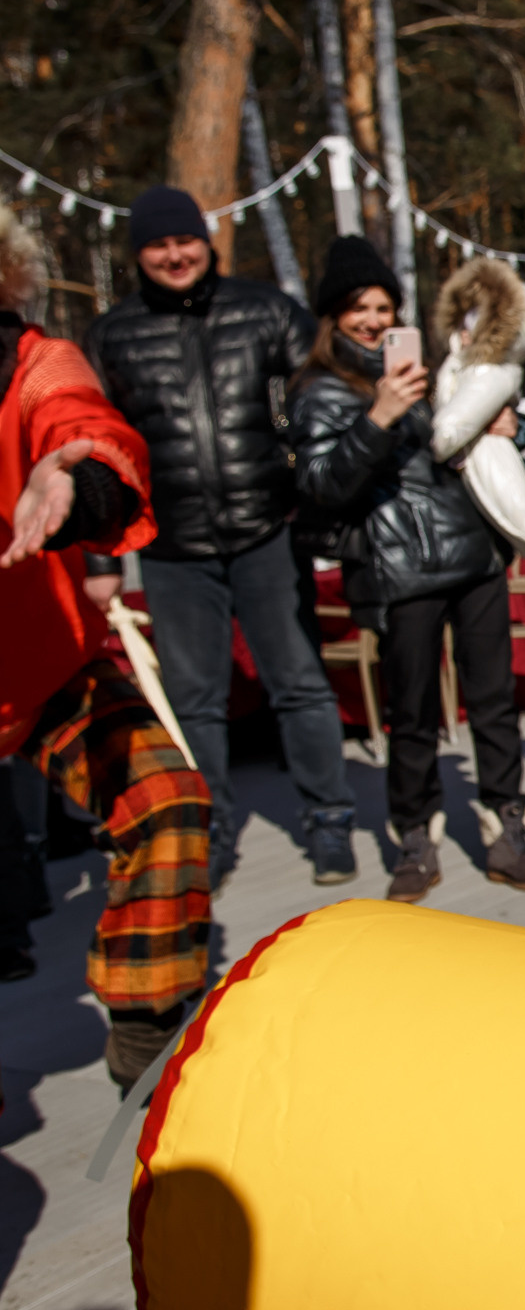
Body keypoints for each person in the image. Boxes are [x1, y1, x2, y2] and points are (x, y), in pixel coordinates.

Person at [85, 186, 357, 889]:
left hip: (267, 531)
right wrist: (98, 552)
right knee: (196, 700)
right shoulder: (113, 335)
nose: (175, 256)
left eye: (186, 242)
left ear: (207, 244)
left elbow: (322, 386)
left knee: (297, 685)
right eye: (158, 245)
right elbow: (94, 450)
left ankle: (329, 822)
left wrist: (302, 459)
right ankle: (211, 834)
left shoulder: (263, 309)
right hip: (171, 547)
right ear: (140, 253)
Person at [0, 199, 212, 1089]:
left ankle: (148, 1029)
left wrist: (80, 485)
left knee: (166, 798)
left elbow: (86, 424)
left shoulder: (33, 364)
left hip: (38, 658)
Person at [289, 243, 525, 903]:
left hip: (472, 553)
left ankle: (507, 826)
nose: (375, 321)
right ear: (333, 318)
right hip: (397, 566)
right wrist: (379, 414)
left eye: (384, 308)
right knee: (411, 712)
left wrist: (510, 427)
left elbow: (468, 435)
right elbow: (322, 485)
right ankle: (415, 833)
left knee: (493, 701)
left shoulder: (432, 373)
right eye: (359, 309)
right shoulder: (320, 391)